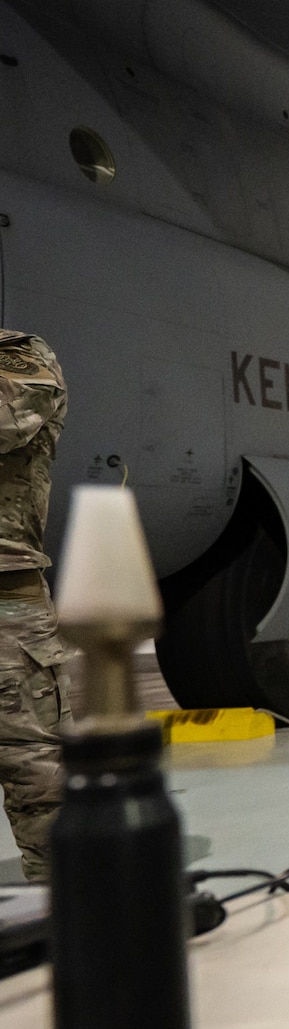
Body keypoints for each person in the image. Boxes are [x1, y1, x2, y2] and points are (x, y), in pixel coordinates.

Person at [0, 330, 71, 883]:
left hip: (7, 607)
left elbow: (8, 423)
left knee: (37, 778)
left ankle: (66, 922)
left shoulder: (19, 355)